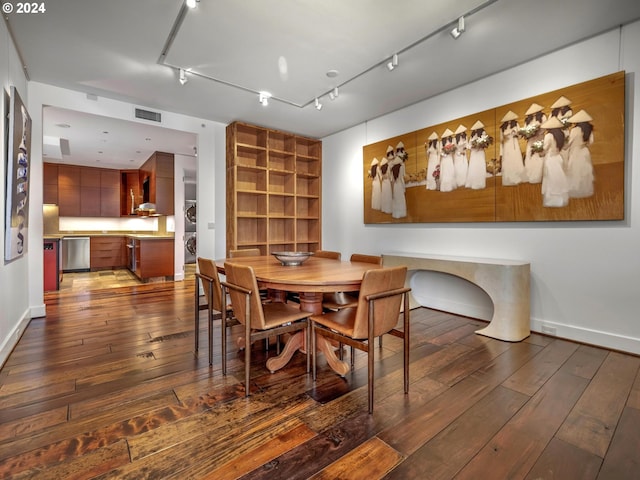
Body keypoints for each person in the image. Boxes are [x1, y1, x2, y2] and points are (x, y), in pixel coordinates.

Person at [540, 116, 569, 207]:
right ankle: (561, 199)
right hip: (558, 158)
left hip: (550, 158)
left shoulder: (549, 135)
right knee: (559, 178)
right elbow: (564, 147)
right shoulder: (561, 134)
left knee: (551, 179)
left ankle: (553, 201)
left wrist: (540, 152)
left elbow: (545, 148)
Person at [566, 109, 595, 198]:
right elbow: (591, 141)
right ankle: (586, 190)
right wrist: (584, 144)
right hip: (585, 151)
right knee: (584, 170)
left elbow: (569, 142)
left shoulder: (575, 130)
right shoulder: (589, 129)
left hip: (575, 151)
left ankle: (576, 190)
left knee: (575, 170)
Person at [522, 102, 547, 184]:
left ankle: (540, 176)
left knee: (539, 155)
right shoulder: (527, 120)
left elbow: (545, 126)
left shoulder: (543, 117)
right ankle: (530, 176)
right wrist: (529, 133)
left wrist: (538, 132)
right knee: (530, 155)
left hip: (540, 138)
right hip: (531, 140)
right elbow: (525, 129)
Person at [499, 110, 525, 186]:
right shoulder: (502, 127)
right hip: (507, 145)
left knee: (516, 158)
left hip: (514, 143)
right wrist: (505, 137)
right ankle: (509, 179)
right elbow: (501, 140)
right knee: (508, 160)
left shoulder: (516, 124)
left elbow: (520, 136)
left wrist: (515, 133)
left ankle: (518, 178)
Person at [550, 95, 573, 168]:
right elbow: (550, 121)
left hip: (564, 132)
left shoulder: (569, 111)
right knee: (556, 149)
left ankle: (566, 167)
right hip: (555, 133)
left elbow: (567, 121)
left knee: (565, 149)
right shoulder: (553, 113)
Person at [466, 120, 490, 189]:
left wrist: (479, 145)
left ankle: (480, 182)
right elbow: (468, 145)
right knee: (473, 166)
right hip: (473, 153)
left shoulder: (483, 133)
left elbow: (485, 142)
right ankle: (472, 182)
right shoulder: (472, 135)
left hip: (480, 152)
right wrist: (472, 146)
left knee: (480, 166)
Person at [391, 141, 407, 218]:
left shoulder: (393, 170)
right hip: (400, 185)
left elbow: (393, 181)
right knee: (401, 199)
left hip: (395, 187)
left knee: (396, 199)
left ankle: (396, 213)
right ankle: (401, 213)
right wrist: (404, 187)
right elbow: (401, 178)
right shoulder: (401, 168)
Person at [379, 146, 394, 214]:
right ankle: (389, 208)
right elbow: (388, 175)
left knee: (384, 195)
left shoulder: (381, 170)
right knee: (388, 195)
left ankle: (384, 208)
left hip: (383, 184)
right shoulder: (388, 168)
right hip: (387, 182)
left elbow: (382, 177)